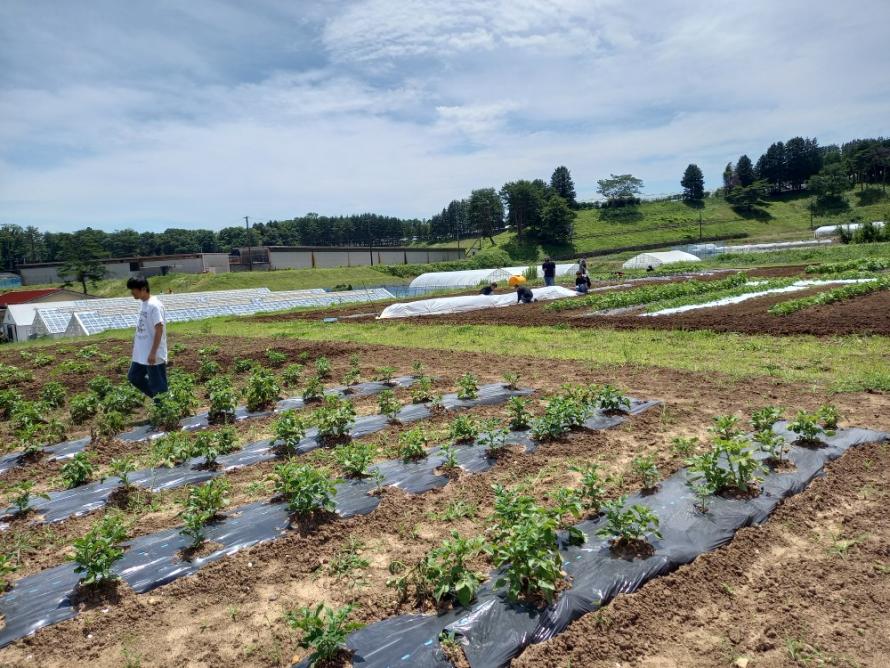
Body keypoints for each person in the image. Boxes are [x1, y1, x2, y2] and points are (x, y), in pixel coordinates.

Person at [126, 276, 168, 400]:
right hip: (142, 354)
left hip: (152, 354)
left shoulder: (154, 306)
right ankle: (160, 401)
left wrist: (153, 353)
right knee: (134, 376)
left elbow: (159, 328)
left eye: (134, 289)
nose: (132, 293)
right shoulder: (144, 303)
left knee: (158, 385)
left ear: (143, 289)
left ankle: (165, 408)